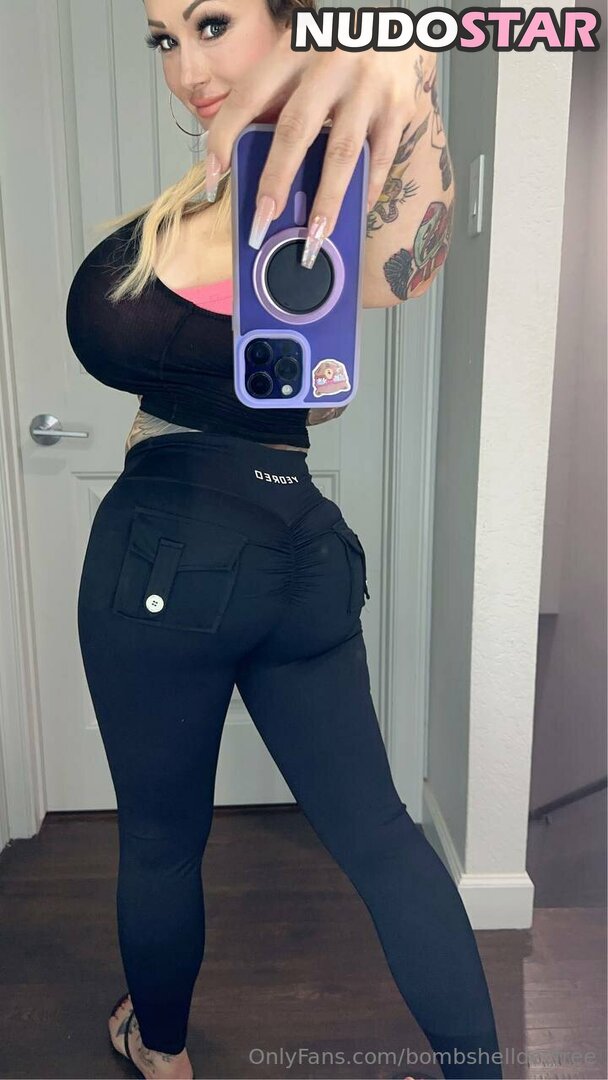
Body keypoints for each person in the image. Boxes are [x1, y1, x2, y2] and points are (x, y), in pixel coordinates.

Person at [66, 2, 503, 1078]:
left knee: (161, 841)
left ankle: (161, 1054)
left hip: (168, 556)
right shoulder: (221, 187)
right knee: (380, 835)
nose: (185, 66)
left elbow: (408, 262)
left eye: (212, 23)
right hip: (300, 551)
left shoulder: (333, 201)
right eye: (164, 39)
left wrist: (407, 57)